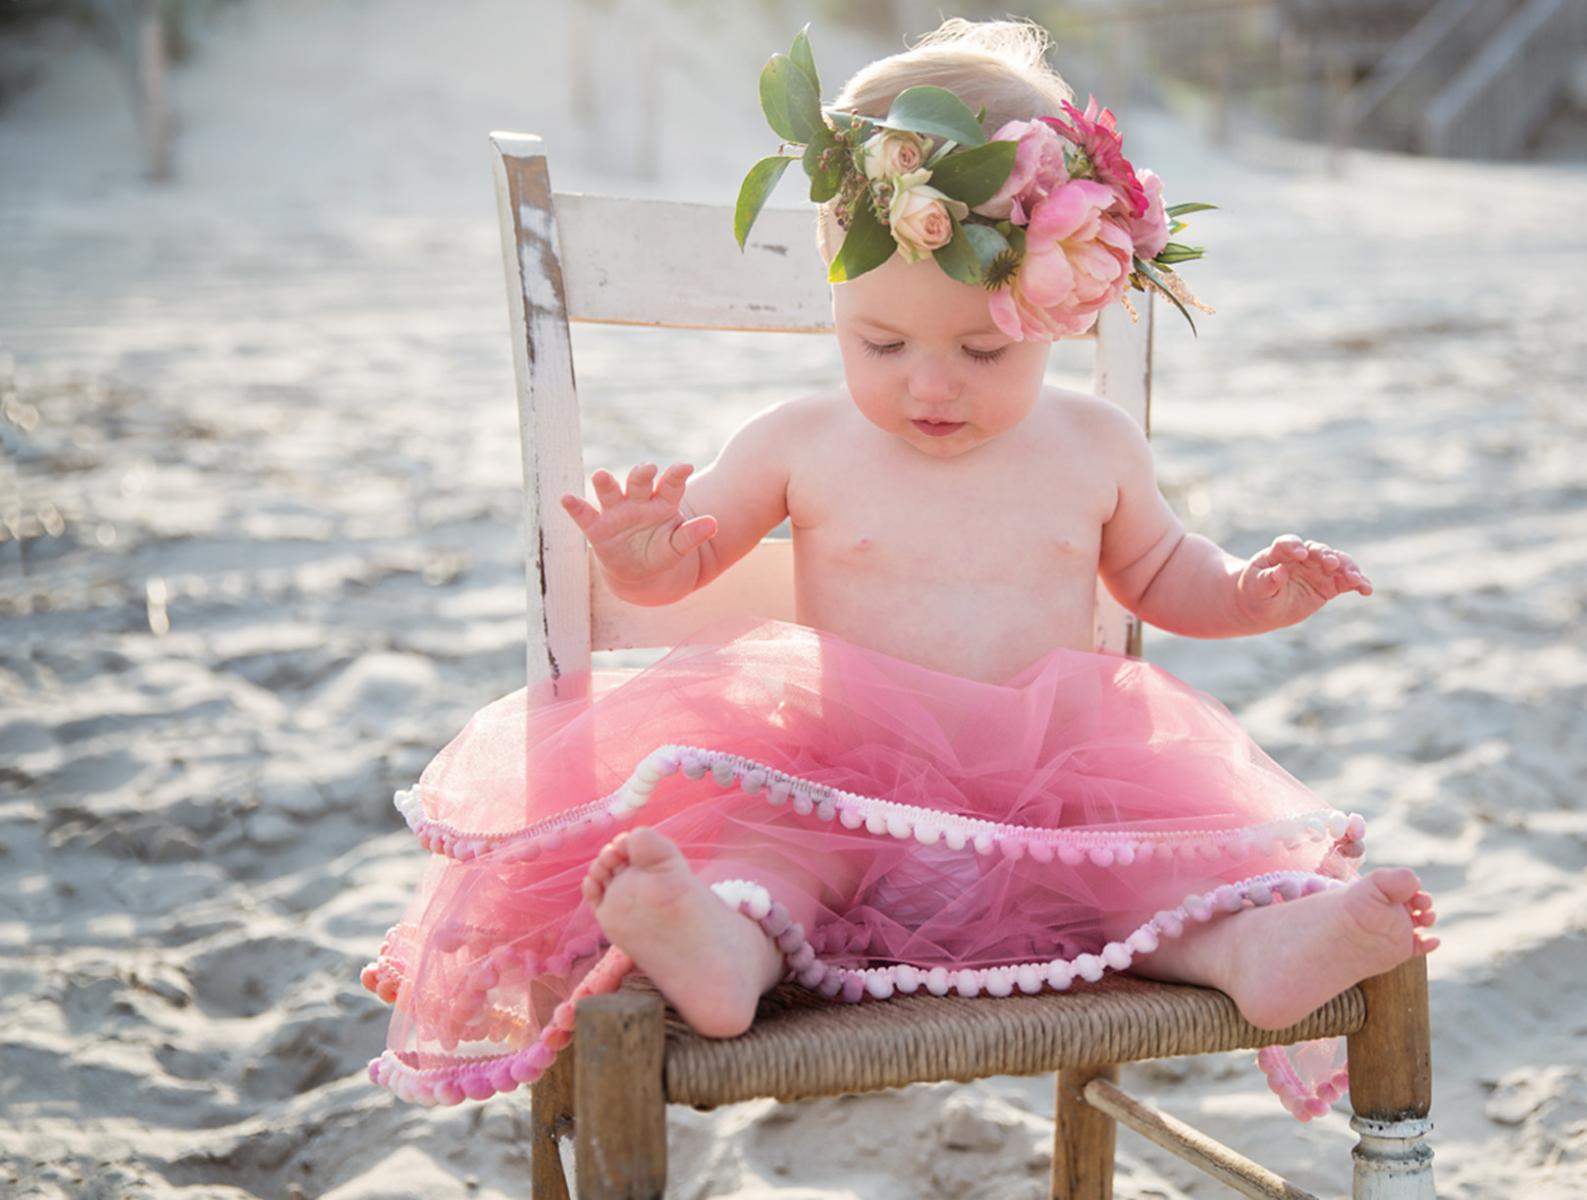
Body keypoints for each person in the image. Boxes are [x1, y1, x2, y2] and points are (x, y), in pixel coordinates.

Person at [362, 18, 1437, 1119]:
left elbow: (1166, 571)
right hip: (839, 784)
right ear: (835, 287)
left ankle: (1258, 950)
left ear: (1064, 311)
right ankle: (721, 952)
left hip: (1058, 802)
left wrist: (1254, 590)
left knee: (1161, 876)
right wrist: (646, 557)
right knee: (766, 858)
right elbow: (686, 564)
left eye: (982, 351)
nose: (932, 387)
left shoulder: (1095, 444)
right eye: (881, 343)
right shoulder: (798, 439)